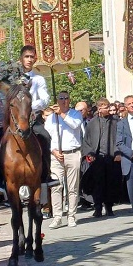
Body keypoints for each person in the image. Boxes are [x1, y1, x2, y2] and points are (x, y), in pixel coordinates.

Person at [19, 45, 60, 190]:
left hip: (32, 118)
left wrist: (29, 105)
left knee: (45, 137)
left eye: (32, 57)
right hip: (15, 117)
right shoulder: (12, 77)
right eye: (27, 56)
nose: (29, 60)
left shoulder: (38, 79)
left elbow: (45, 99)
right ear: (21, 58)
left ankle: (46, 175)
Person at [45, 91, 85, 229]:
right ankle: (57, 216)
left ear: (69, 100)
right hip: (56, 155)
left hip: (72, 153)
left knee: (72, 187)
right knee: (56, 186)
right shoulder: (51, 118)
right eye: (61, 98)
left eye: (66, 98)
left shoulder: (75, 114)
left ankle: (71, 215)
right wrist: (54, 150)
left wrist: (62, 115)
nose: (63, 101)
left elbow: (75, 125)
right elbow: (47, 137)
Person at [82, 98, 120, 217]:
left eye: (108, 106)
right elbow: (86, 140)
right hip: (97, 157)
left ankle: (109, 207)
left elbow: (120, 138)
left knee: (110, 182)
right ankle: (98, 207)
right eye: (105, 106)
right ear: (99, 108)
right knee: (98, 183)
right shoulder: (92, 123)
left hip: (111, 157)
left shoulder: (116, 121)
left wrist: (118, 152)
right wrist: (89, 153)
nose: (108, 108)